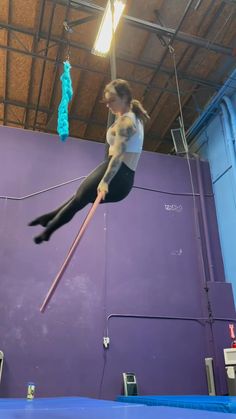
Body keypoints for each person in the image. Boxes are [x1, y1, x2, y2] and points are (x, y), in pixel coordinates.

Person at [29, 79, 150, 244]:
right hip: (125, 178)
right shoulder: (135, 115)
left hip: (117, 172)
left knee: (79, 200)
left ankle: (47, 232)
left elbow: (119, 155)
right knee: (79, 197)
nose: (108, 105)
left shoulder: (126, 122)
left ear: (124, 98)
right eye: (107, 101)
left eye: (112, 100)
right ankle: (49, 219)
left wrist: (105, 181)